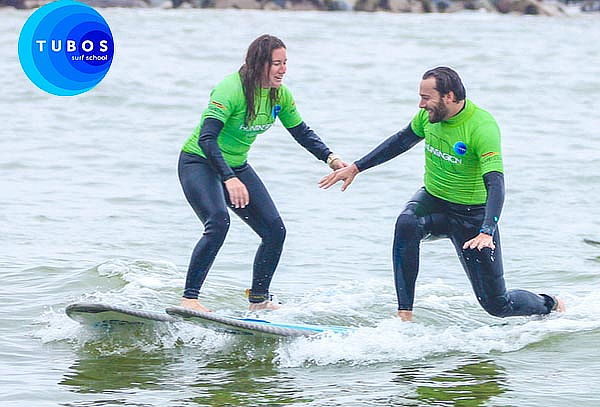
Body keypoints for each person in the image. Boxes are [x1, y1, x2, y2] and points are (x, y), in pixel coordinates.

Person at [319, 66, 565, 321]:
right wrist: (357, 168)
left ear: (448, 96)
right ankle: (404, 316)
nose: (421, 105)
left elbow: (495, 183)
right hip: (434, 202)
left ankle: (550, 304)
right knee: (407, 223)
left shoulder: (481, 126)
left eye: (426, 98)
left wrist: (486, 231)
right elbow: (401, 140)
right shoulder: (429, 118)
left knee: (497, 305)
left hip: (473, 218)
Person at [178, 34, 346, 312]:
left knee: (274, 231)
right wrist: (229, 178)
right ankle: (189, 299)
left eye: (285, 63)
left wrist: (331, 158)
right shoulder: (229, 89)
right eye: (276, 63)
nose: (283, 69)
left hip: (236, 165)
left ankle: (258, 300)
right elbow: (207, 139)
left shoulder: (279, 95)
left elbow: (301, 131)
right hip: (199, 162)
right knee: (218, 222)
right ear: (259, 64)